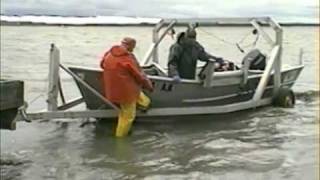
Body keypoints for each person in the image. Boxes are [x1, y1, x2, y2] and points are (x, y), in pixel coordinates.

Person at [100, 37, 154, 137]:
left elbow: (102, 65)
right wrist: (149, 86)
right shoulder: (128, 58)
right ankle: (120, 138)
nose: (133, 49)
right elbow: (139, 75)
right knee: (127, 116)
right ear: (130, 46)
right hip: (126, 93)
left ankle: (145, 104)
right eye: (133, 47)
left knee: (140, 97)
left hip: (111, 89)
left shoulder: (109, 53)